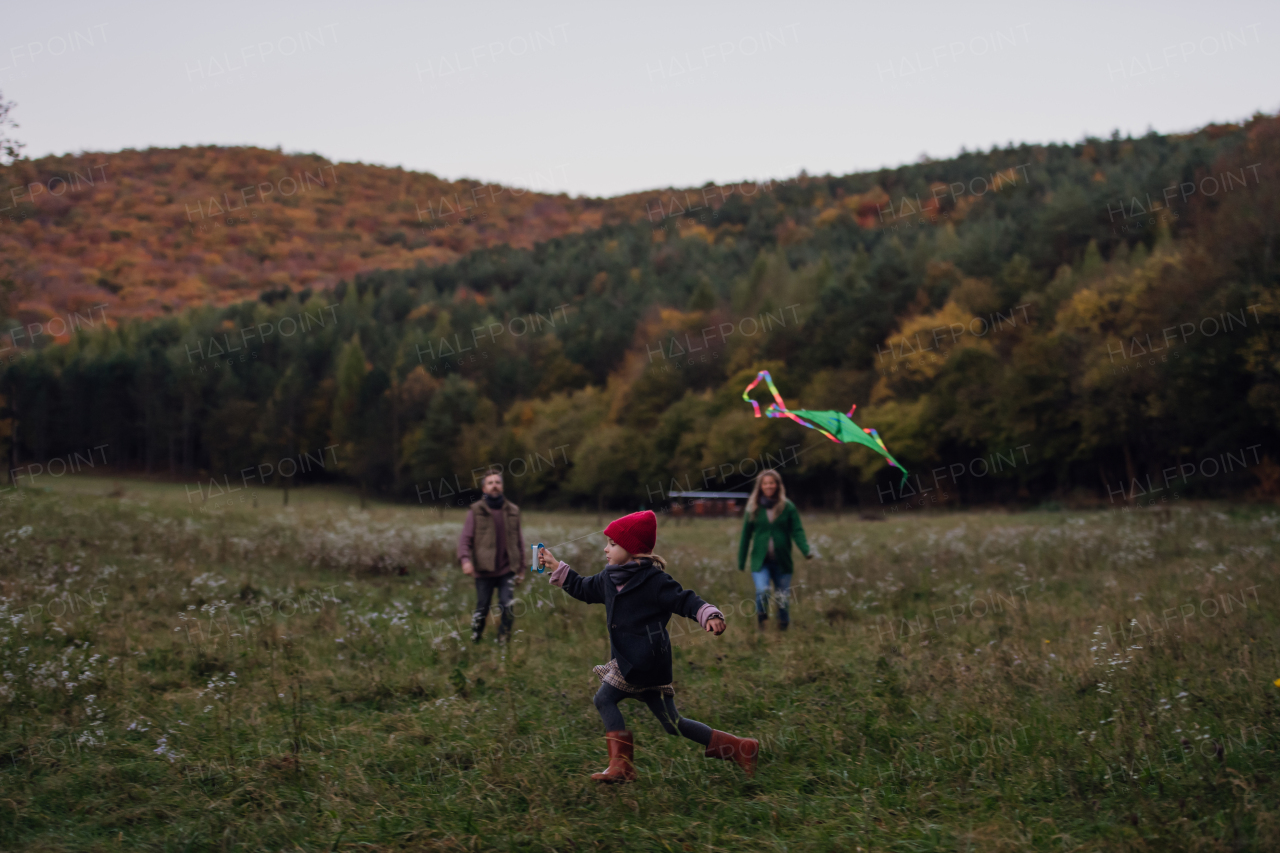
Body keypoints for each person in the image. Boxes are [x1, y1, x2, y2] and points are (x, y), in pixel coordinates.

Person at [538, 510, 759, 782]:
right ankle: (740, 747)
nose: (606, 549)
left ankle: (621, 766)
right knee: (673, 724)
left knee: (604, 698)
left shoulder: (654, 581)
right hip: (633, 662)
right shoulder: (609, 578)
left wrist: (709, 614)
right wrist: (555, 565)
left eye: (613, 544)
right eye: (607, 542)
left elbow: (685, 600)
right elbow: (582, 588)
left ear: (633, 549)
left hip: (645, 662)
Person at [457, 470, 527, 643]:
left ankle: (504, 639)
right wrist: (465, 560)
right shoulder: (475, 510)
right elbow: (465, 539)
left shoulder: (513, 510)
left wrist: (521, 569)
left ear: (502, 486)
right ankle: (476, 636)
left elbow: (519, 540)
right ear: (484, 488)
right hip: (483, 569)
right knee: (482, 607)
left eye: (497, 482)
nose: (494, 485)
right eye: (490, 482)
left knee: (507, 605)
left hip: (507, 569)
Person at [737, 469, 811, 631]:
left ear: (777, 485)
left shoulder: (788, 507)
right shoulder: (753, 508)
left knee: (782, 597)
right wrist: (741, 561)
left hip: (782, 561)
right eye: (765, 483)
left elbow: (797, 531)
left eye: (772, 482)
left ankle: (782, 627)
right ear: (760, 486)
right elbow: (745, 535)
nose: (769, 486)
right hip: (760, 561)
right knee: (763, 591)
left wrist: (806, 550)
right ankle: (762, 621)